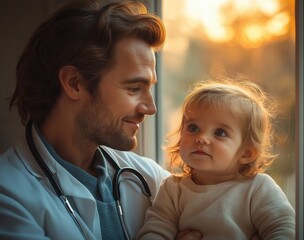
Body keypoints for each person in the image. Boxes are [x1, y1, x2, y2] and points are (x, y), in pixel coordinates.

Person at [0, 0, 202, 239]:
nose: (151, 108)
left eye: (150, 88)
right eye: (134, 88)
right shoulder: (8, 193)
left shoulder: (149, 179)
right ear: (75, 83)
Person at [137, 77, 296, 239]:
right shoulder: (172, 189)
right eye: (193, 128)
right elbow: (155, 231)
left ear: (246, 154)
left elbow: (284, 229)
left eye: (220, 133)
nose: (201, 138)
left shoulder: (258, 188)